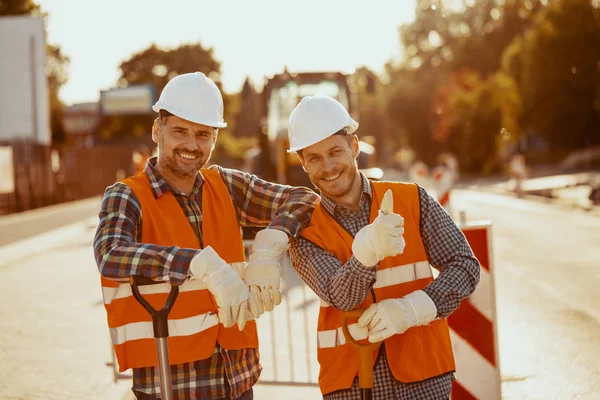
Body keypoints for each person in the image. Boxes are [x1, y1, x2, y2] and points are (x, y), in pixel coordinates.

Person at [93, 72, 319, 400]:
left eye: (203, 134)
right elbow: (111, 254)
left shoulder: (226, 186)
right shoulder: (127, 196)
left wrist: (271, 245)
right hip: (170, 384)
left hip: (236, 378)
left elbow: (304, 199)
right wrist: (199, 263)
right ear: (158, 129)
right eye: (180, 131)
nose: (191, 145)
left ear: (214, 138)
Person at [286, 96, 481, 400]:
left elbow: (464, 266)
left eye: (335, 151)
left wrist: (412, 309)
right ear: (303, 163)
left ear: (354, 146)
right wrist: (366, 252)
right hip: (349, 383)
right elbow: (340, 296)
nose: (327, 166)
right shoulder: (304, 231)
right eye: (314, 157)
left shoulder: (411, 199)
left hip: (424, 376)